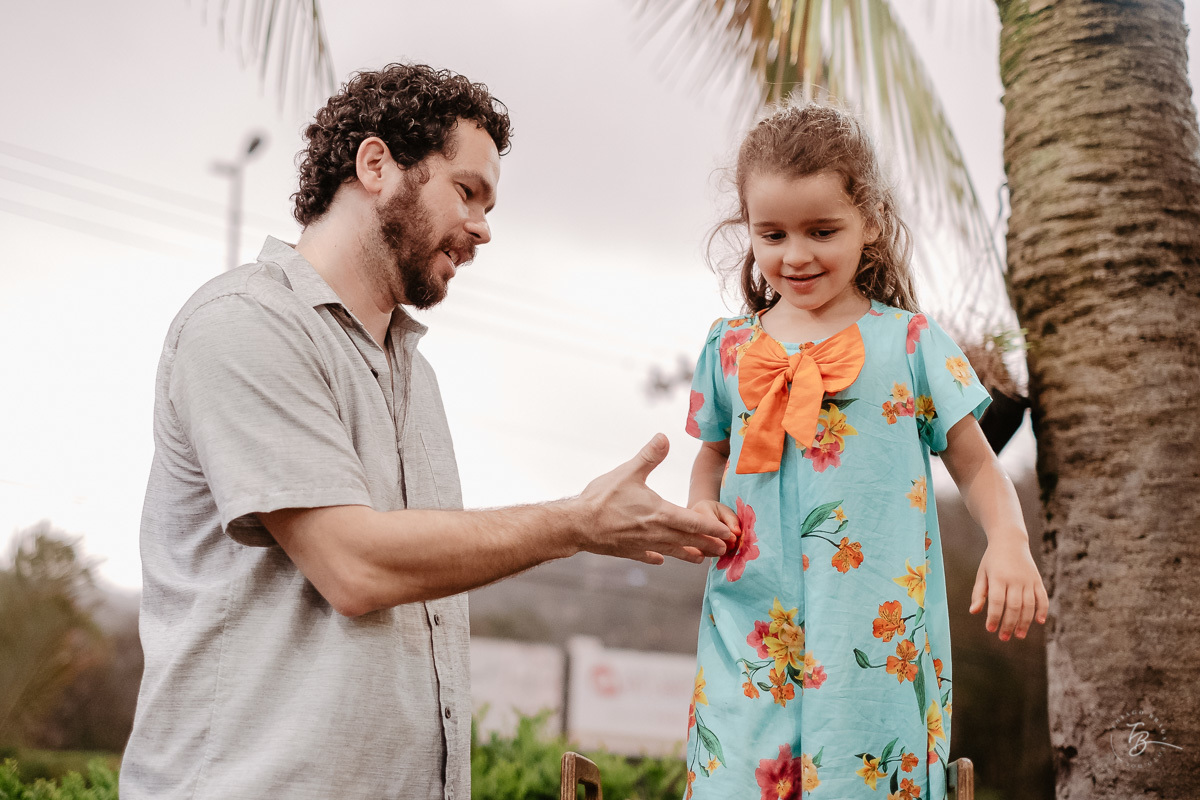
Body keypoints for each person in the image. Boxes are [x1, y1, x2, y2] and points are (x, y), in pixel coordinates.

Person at [120, 63, 733, 800]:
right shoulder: (245, 326)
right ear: (377, 165)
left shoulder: (418, 379)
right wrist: (580, 523)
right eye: (466, 191)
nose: (482, 226)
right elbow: (355, 568)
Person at [680, 104, 1048, 800]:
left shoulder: (910, 344)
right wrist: (701, 508)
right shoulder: (728, 347)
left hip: (874, 639)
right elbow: (712, 452)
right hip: (748, 631)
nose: (796, 254)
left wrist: (1009, 540)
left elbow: (975, 464)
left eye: (822, 231)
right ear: (747, 230)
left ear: (869, 222)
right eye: (773, 233)